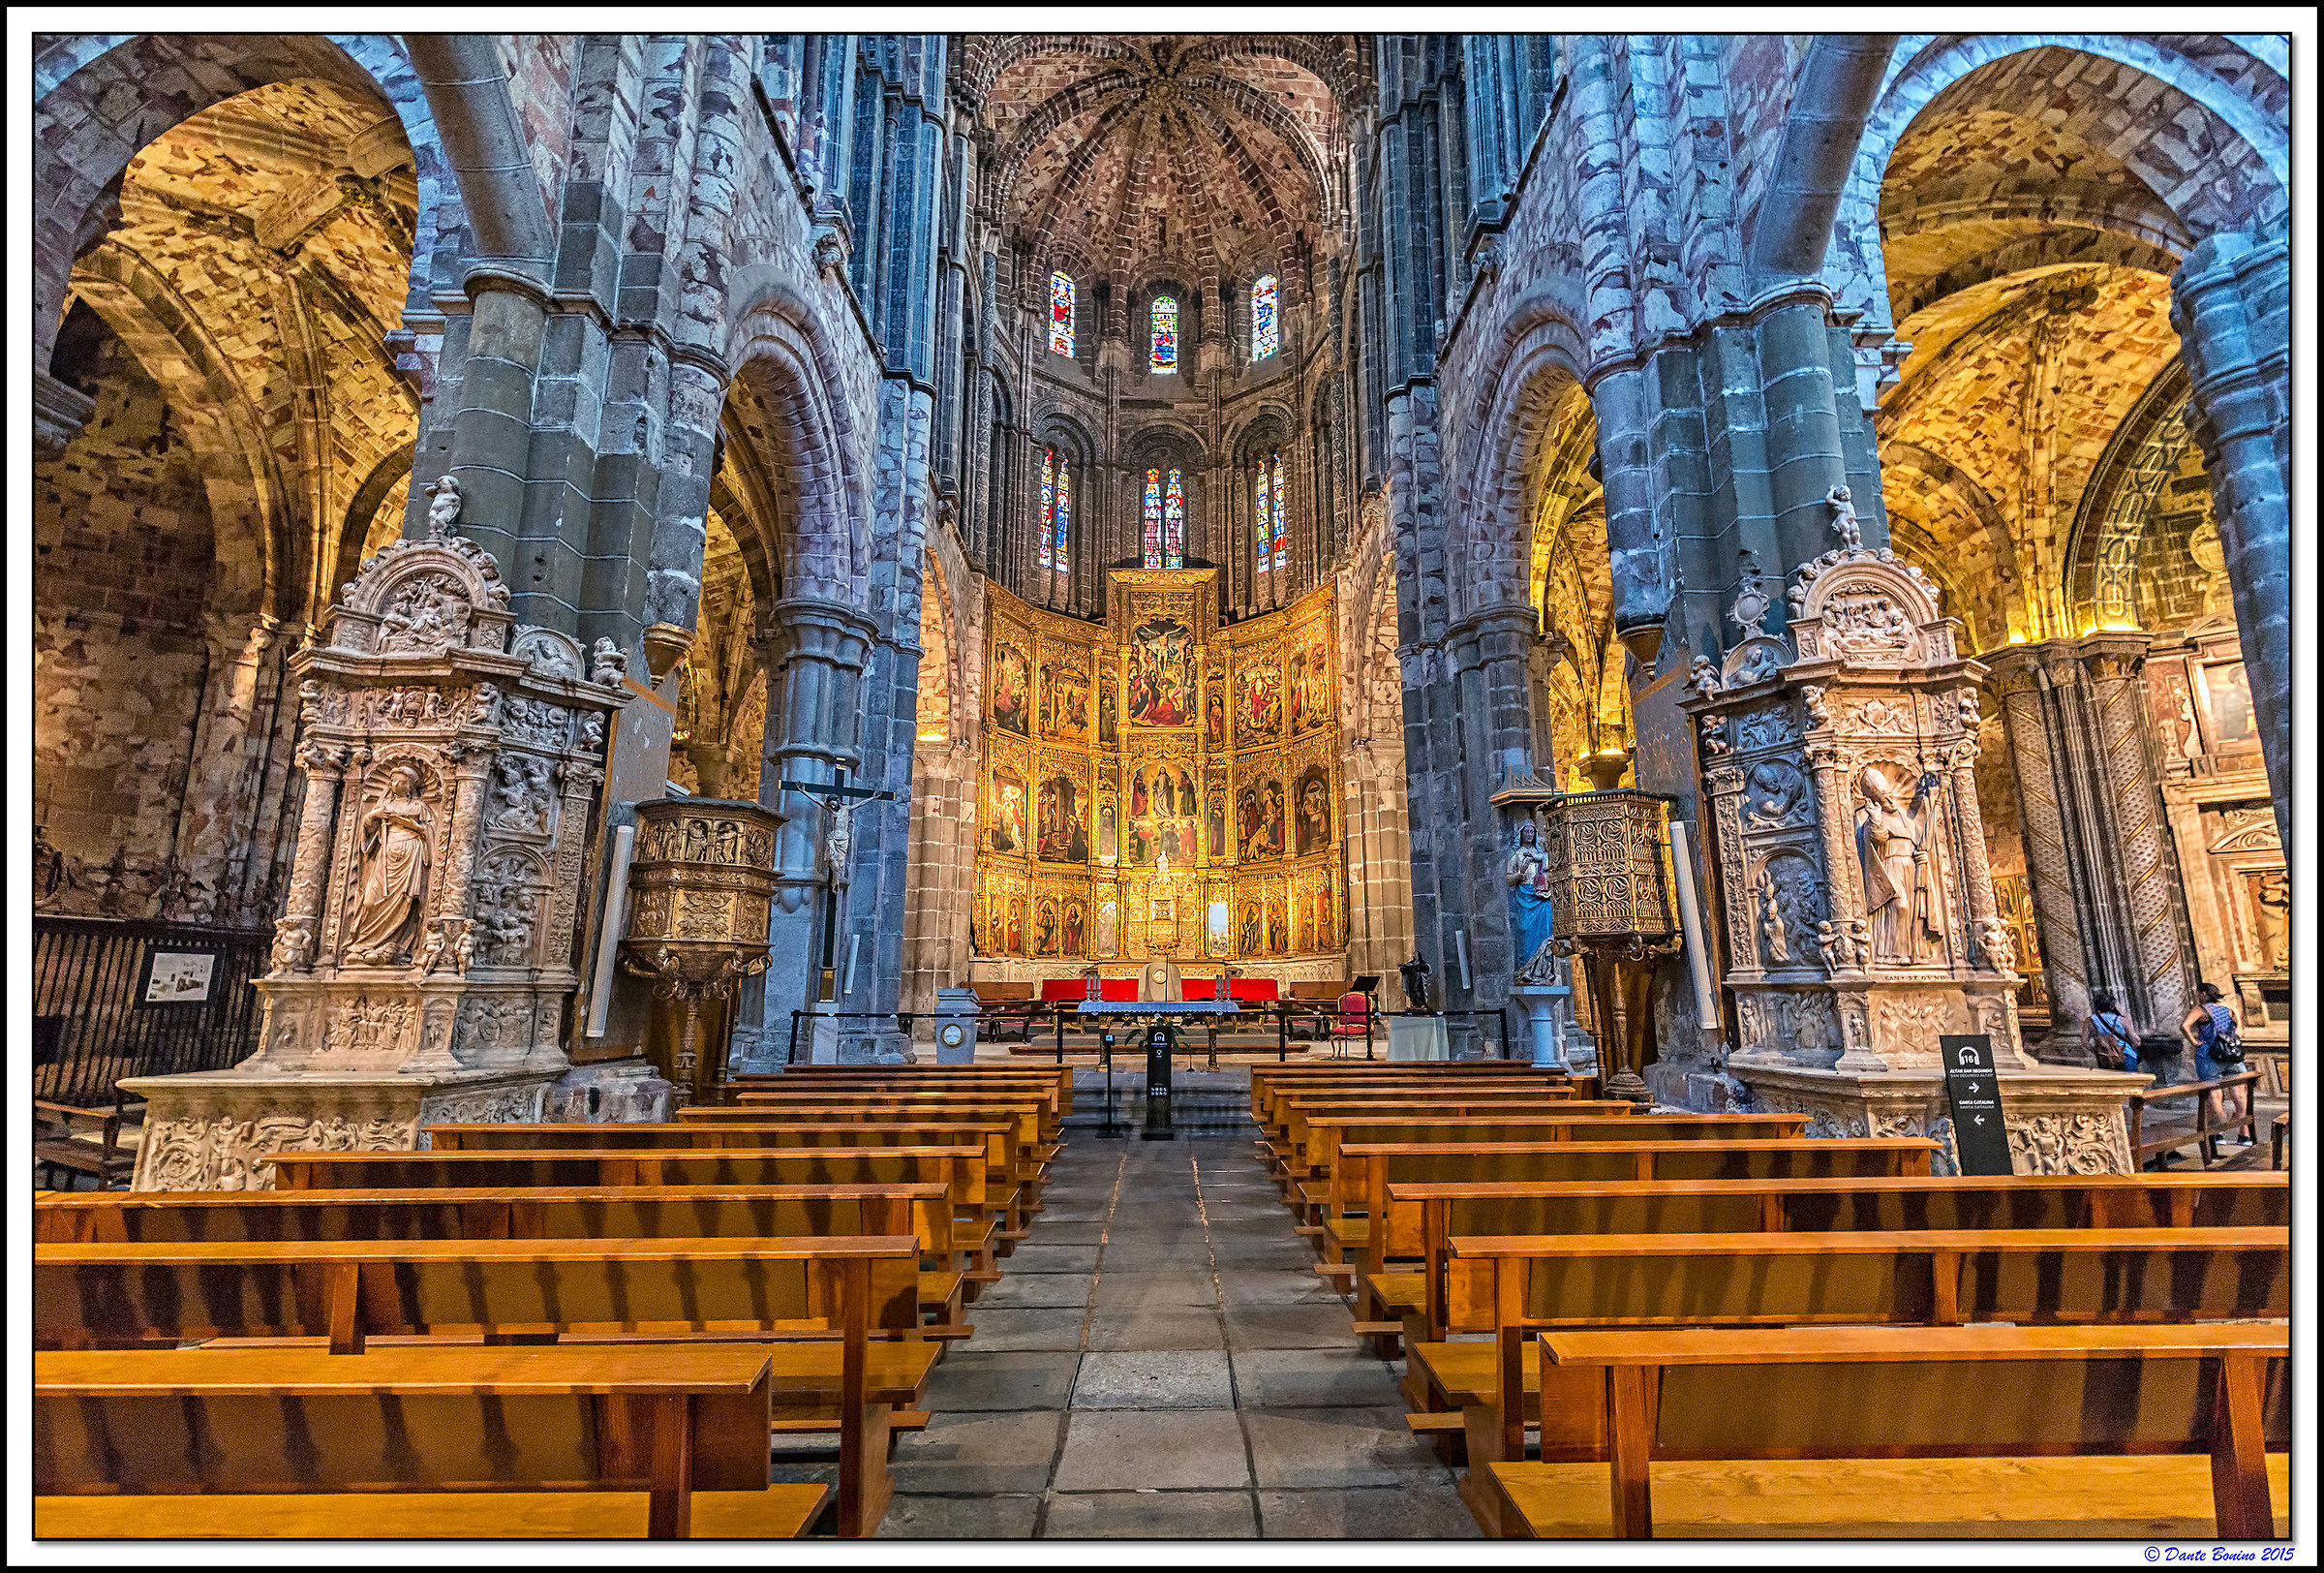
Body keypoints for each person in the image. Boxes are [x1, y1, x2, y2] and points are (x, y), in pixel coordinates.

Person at [2181, 981, 2250, 1141]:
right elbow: (2238, 1028)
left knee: (2215, 1095)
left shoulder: (2201, 1009)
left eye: (2198, 993)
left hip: (2208, 1055)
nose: (2197, 996)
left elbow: (2185, 1026)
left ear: (2204, 994)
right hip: (2231, 1055)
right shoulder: (2229, 1008)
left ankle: (2219, 1134)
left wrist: (2193, 1041)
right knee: (2240, 1095)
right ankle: (2244, 1134)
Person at [2081, 992, 2140, 1075]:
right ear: (2112, 1006)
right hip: (2125, 1055)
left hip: (2105, 1058)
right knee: (2132, 1084)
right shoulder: (2122, 1020)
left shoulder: (2090, 1021)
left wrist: (2097, 1051)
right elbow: (2136, 1040)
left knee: (2112, 1085)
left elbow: (2084, 1042)